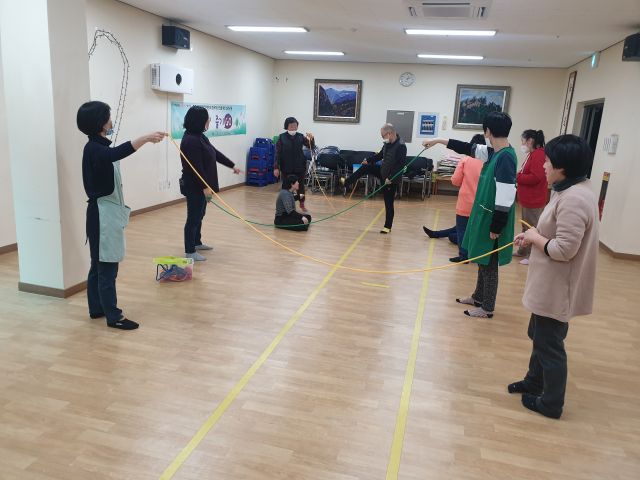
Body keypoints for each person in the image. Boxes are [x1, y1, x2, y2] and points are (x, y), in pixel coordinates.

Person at [510, 134, 598, 419]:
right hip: (548, 283)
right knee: (538, 335)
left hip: (558, 286)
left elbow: (564, 250)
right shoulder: (567, 189)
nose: (544, 166)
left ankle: (550, 404)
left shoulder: (575, 198)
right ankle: (534, 382)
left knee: (550, 345)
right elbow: (553, 231)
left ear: (563, 167)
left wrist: (535, 238)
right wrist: (533, 235)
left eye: (548, 161)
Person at [77, 101, 166, 330]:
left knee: (99, 265)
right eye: (108, 117)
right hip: (102, 216)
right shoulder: (95, 148)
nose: (111, 120)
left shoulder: (98, 146)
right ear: (100, 122)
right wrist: (145, 138)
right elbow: (116, 153)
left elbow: (112, 154)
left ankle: (97, 308)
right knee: (106, 267)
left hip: (104, 213)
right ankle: (113, 316)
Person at [423, 112, 517, 318]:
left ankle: (487, 308)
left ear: (487, 131)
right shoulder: (494, 152)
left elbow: (506, 195)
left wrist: (497, 225)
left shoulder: (505, 157)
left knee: (489, 263)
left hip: (494, 219)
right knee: (482, 258)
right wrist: (438, 140)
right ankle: (478, 297)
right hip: (486, 215)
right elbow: (467, 148)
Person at [179, 105, 241, 261]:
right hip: (195, 186)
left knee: (200, 214)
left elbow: (214, 153)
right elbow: (196, 168)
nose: (209, 121)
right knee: (193, 217)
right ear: (199, 121)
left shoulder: (199, 136)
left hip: (202, 186)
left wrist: (231, 165)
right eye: (207, 119)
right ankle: (190, 251)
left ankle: (196, 242)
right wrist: (205, 187)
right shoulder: (190, 141)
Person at [422, 133, 486, 262]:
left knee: (460, 229)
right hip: (482, 203)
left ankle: (463, 255)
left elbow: (455, 181)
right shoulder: (489, 161)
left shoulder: (466, 160)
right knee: (467, 228)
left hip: (466, 202)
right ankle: (437, 234)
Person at [342, 123, 407, 234]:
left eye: (383, 136)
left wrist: (391, 178)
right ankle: (347, 182)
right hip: (382, 172)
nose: (382, 138)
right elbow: (380, 155)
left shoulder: (401, 146)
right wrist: (368, 160)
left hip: (391, 178)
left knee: (388, 202)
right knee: (365, 167)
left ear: (389, 133)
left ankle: (387, 226)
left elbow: (400, 165)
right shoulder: (387, 144)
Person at [515, 129, 548, 265]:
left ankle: (532, 256)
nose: (522, 144)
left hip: (534, 199)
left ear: (530, 141)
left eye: (523, 141)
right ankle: (523, 251)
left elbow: (535, 177)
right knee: (525, 227)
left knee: (532, 228)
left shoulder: (538, 154)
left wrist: (517, 177)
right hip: (528, 199)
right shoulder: (533, 154)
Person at [274, 117, 315, 212]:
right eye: (291, 126)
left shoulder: (300, 136)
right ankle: (285, 204)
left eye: (295, 126)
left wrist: (311, 139)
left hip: (299, 167)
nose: (294, 128)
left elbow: (311, 146)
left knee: (301, 188)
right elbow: (277, 154)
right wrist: (276, 167)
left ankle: (302, 203)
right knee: (286, 188)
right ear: (287, 126)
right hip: (286, 167)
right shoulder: (282, 137)